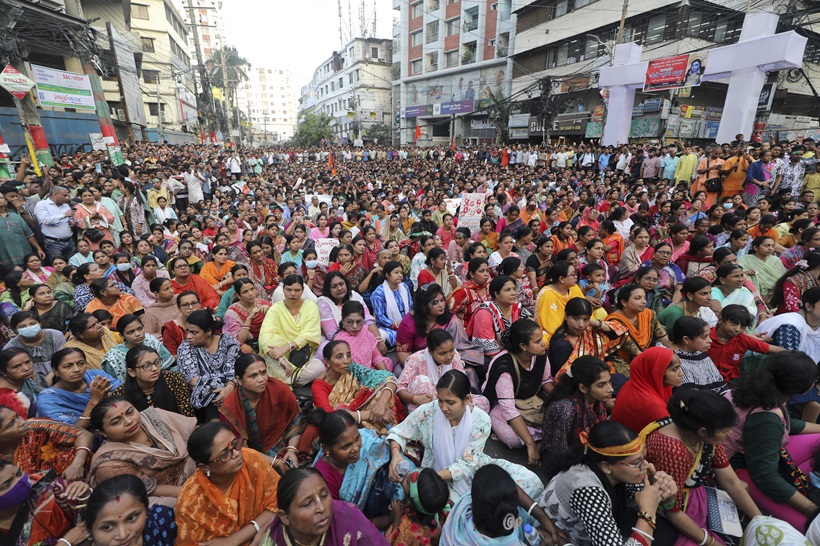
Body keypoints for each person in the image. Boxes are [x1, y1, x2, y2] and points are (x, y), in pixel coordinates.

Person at [644, 389, 761, 546]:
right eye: (726, 431)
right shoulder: (674, 451)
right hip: (670, 505)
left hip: (691, 492)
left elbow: (731, 481)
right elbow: (671, 510)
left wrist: (760, 522)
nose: (730, 434)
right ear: (703, 432)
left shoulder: (699, 431)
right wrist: (711, 542)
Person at [723, 351, 820, 531]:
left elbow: (790, 425)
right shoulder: (767, 418)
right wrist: (813, 510)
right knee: (810, 528)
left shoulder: (763, 388)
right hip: (739, 470)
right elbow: (766, 477)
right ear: (801, 387)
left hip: (758, 453)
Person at [541, 421, 678, 546]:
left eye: (644, 458)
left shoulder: (614, 471)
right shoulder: (587, 490)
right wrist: (647, 513)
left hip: (601, 523)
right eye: (636, 463)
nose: (645, 466)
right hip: (565, 539)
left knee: (668, 532)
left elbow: (648, 500)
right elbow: (648, 507)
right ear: (606, 466)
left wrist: (662, 489)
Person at [175, 421, 279, 546]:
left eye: (236, 444)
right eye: (225, 454)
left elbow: (279, 503)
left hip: (265, 534)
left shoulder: (251, 460)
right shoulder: (190, 502)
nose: (236, 454)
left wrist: (234, 540)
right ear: (205, 467)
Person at [87, 397, 197, 507]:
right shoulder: (109, 463)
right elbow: (148, 489)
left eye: (130, 412)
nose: (129, 421)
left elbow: (194, 434)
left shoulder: (154, 416)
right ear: (102, 432)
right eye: (116, 422)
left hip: (187, 469)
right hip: (152, 495)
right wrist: (192, 492)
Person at [310, 408, 399, 523]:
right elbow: (339, 520)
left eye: (357, 438)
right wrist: (378, 522)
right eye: (346, 446)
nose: (356, 448)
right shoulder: (323, 479)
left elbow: (389, 445)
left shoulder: (367, 440)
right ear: (327, 449)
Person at [482, 319, 554, 462]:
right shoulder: (504, 368)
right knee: (514, 439)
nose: (543, 343)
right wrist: (531, 444)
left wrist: (561, 398)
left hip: (531, 401)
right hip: (501, 407)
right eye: (538, 341)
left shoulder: (540, 356)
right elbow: (508, 409)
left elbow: (546, 381)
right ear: (523, 346)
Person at [220, 354, 304, 470]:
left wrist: (291, 450)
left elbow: (296, 420)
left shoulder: (278, 389)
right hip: (254, 455)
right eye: (253, 376)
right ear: (239, 380)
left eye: (263, 373)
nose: (261, 380)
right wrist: (276, 462)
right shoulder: (230, 407)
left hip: (288, 441)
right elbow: (242, 449)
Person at [268, 467, 389, 546]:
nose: (321, 508)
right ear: (284, 517)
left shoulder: (348, 516)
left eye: (324, 495)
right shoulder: (274, 540)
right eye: (308, 503)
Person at [311, 340, 402, 434]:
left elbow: (389, 377)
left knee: (383, 393)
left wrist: (381, 405)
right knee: (340, 410)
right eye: (339, 356)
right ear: (327, 361)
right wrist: (373, 414)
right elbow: (331, 418)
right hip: (338, 430)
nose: (346, 361)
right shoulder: (319, 386)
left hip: (360, 413)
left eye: (348, 355)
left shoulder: (353, 369)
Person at [0, 459, 93, 546]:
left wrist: (86, 494)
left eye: (19, 473)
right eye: (6, 484)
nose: (20, 481)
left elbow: (94, 516)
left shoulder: (50, 487)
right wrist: (66, 543)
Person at [396, 329, 489, 414]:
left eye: (451, 350)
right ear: (430, 352)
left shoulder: (455, 355)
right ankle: (429, 422)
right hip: (426, 403)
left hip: (449, 400)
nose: (449, 356)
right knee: (422, 381)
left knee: (483, 402)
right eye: (442, 353)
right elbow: (399, 387)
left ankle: (452, 420)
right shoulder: (416, 359)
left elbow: (461, 382)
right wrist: (414, 399)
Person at [541, 356, 614, 463]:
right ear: (583, 388)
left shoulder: (597, 400)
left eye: (609, 382)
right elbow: (559, 452)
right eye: (601, 385)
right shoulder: (565, 410)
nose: (610, 389)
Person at [396, 283, 482, 370]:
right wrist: (425, 368)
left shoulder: (451, 320)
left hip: (449, 361)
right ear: (423, 306)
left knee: (469, 373)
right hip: (420, 365)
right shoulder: (408, 323)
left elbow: (461, 347)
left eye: (442, 300)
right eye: (435, 302)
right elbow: (403, 355)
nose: (441, 305)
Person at [177, 309, 241, 421]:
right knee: (214, 399)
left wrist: (230, 387)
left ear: (208, 331)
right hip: (207, 398)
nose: (189, 336)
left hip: (235, 389)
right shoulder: (185, 348)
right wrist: (224, 388)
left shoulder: (228, 341)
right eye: (187, 331)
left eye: (194, 332)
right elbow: (193, 380)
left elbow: (234, 368)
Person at [259, 274, 322, 384]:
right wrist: (281, 358)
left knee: (320, 368)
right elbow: (265, 335)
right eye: (289, 290)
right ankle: (290, 379)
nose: (293, 294)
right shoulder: (275, 309)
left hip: (302, 354)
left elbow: (309, 334)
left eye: (297, 290)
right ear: (283, 290)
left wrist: (287, 347)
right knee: (270, 345)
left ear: (303, 290)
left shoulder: (311, 306)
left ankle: (281, 380)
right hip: (279, 355)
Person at [0, 404, 92, 479]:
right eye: (11, 424)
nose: (21, 422)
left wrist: (77, 464)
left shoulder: (35, 426)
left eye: (17, 417)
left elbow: (83, 434)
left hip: (79, 478)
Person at [37, 347, 121, 426]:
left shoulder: (96, 376)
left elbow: (124, 392)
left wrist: (108, 397)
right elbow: (70, 433)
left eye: (81, 363)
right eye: (68, 366)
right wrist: (94, 400)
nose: (77, 369)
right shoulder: (48, 399)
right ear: (55, 371)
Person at [85, 474, 177, 546]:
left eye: (131, 518)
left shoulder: (163, 520)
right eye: (107, 527)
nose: (123, 535)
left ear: (146, 510)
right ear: (90, 531)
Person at [611, 347, 684, 434]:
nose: (681, 373)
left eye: (679, 367)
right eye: (675, 369)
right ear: (657, 372)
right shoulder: (653, 406)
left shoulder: (636, 383)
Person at [109, 345, 194, 417]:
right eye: (147, 365)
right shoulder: (120, 394)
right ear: (132, 372)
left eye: (157, 362)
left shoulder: (174, 378)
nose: (154, 368)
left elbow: (187, 415)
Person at [606, 284, 670, 377]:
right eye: (638, 298)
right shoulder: (614, 321)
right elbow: (634, 350)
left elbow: (662, 336)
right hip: (621, 360)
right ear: (624, 302)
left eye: (644, 297)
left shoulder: (648, 314)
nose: (644, 302)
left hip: (644, 355)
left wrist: (674, 349)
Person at [102, 314, 174, 381]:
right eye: (131, 332)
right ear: (121, 336)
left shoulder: (150, 340)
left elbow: (167, 365)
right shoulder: (114, 356)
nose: (138, 334)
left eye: (140, 329)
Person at [668, 316, 727, 393]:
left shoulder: (701, 355)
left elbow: (720, 386)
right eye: (704, 337)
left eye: (709, 336)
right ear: (686, 339)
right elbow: (688, 394)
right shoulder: (671, 358)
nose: (710, 341)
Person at [536, 261, 591, 343]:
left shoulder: (574, 287)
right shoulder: (547, 294)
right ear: (561, 279)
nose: (576, 277)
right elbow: (551, 326)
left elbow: (584, 310)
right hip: (557, 332)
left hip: (576, 326)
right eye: (572, 275)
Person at [4, 310, 66, 379]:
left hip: (58, 375)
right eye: (22, 326)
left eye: (32, 324)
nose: (29, 328)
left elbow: (63, 360)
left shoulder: (56, 335)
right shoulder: (11, 346)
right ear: (15, 330)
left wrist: (50, 377)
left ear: (40, 323)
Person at [223, 278, 271, 353]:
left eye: (252, 289)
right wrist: (249, 319)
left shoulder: (263, 303)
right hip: (247, 344)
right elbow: (239, 340)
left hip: (267, 339)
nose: (251, 294)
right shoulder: (232, 313)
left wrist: (270, 311)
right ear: (238, 295)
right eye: (245, 292)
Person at [371, 261, 412, 347]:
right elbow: (380, 316)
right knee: (386, 335)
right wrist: (394, 324)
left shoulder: (404, 286)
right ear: (387, 275)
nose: (400, 275)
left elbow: (411, 306)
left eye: (401, 272)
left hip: (406, 322)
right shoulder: (379, 293)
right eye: (396, 272)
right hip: (387, 326)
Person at [738, 236, 786, 306]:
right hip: (752, 295)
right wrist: (745, 273)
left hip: (773, 294)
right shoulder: (744, 260)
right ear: (755, 248)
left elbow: (782, 278)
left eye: (773, 246)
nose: (770, 248)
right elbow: (739, 275)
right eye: (766, 246)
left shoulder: (776, 260)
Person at [160, 290, 199, 356]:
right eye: (185, 305)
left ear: (200, 304)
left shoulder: (209, 320)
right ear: (179, 308)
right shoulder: (171, 328)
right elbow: (171, 356)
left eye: (194, 303)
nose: (191, 307)